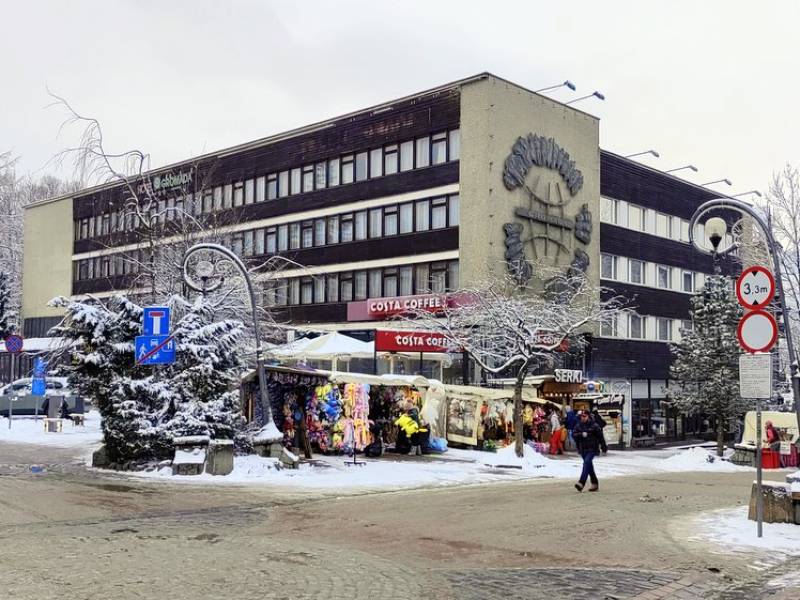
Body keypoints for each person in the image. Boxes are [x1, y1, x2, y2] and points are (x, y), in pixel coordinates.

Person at [573, 410, 603, 492]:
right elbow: (574, 435)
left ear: (588, 416)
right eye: (582, 416)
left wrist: (603, 446)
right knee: (589, 466)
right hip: (583, 448)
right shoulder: (578, 425)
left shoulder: (594, 425)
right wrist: (581, 434)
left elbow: (600, 436)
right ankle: (595, 483)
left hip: (592, 448)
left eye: (584, 416)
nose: (583, 418)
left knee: (586, 462)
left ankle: (581, 482)